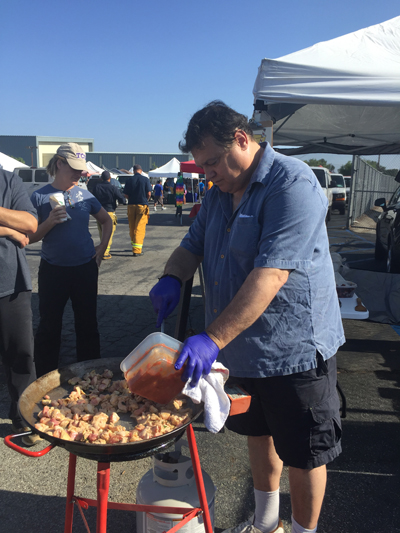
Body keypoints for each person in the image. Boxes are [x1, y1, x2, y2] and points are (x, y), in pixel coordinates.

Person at [149, 101, 345, 533]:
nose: (208, 173)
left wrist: (211, 338)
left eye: (213, 162)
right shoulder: (218, 195)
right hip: (244, 351)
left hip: (293, 348)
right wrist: (171, 277)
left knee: (305, 450)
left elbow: (271, 274)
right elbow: (190, 247)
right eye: (201, 166)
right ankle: (265, 522)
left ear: (242, 139)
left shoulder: (291, 183)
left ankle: (302, 531)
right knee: (259, 433)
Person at [29, 143, 112, 378]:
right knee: (49, 326)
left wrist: (101, 248)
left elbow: (106, 221)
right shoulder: (39, 196)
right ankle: (44, 377)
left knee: (87, 324)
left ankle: (91, 376)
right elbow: (30, 237)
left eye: (81, 170)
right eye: (74, 169)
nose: (79, 174)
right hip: (53, 270)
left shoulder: (84, 194)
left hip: (84, 268)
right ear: (59, 163)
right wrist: (49, 222)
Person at [0, 168, 41, 446]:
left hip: (10, 284)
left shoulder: (8, 180)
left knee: (21, 356)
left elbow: (30, 224)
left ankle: (25, 417)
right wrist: (6, 228)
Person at [91, 170, 125, 259]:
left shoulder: (96, 187)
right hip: (109, 211)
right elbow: (122, 199)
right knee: (108, 233)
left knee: (101, 233)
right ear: (110, 178)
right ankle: (105, 252)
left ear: (101, 178)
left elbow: (92, 199)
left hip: (99, 212)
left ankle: (102, 250)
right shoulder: (113, 188)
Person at [123, 164, 152, 256]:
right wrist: (145, 199)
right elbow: (149, 193)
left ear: (134, 170)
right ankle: (137, 249)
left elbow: (126, 195)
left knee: (132, 226)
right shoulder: (145, 179)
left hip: (131, 205)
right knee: (140, 227)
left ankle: (134, 244)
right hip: (142, 205)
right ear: (141, 170)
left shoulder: (129, 180)